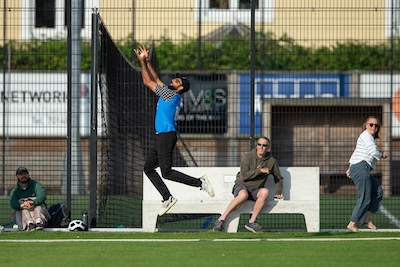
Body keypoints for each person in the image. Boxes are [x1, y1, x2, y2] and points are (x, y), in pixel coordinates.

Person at [134, 45, 215, 216]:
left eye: (176, 82)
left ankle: (199, 183)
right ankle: (167, 197)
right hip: (161, 137)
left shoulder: (170, 95)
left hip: (166, 136)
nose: (173, 81)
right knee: (148, 169)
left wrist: (141, 62)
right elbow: (155, 78)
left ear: (180, 88)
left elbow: (147, 82)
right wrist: (147, 61)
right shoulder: (170, 93)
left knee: (167, 172)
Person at [213, 136, 284, 233]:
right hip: (242, 185)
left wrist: (278, 192)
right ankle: (221, 219)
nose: (261, 147)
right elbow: (244, 176)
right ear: (256, 145)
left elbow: (278, 178)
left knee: (265, 192)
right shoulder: (247, 157)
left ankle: (251, 222)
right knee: (243, 195)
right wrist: (259, 171)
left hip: (256, 190)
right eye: (259, 144)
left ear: (268, 147)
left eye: (264, 145)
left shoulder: (272, 162)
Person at [345, 116, 387, 232]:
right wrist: (382, 154)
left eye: (376, 125)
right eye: (371, 124)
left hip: (361, 168)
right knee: (364, 196)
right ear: (366, 125)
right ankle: (352, 224)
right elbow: (373, 152)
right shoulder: (366, 136)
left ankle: (366, 220)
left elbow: (355, 153)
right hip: (361, 168)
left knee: (378, 191)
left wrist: (350, 168)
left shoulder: (367, 137)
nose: (374, 127)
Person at [10, 167, 50, 231]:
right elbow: (13, 202)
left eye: (25, 174)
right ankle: (29, 224)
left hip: (36, 210)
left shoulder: (36, 185)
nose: (23, 176)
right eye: (21, 174)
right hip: (23, 213)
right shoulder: (15, 190)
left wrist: (32, 202)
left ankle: (38, 222)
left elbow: (42, 196)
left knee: (38, 206)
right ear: (17, 176)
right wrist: (22, 205)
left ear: (28, 174)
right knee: (21, 206)